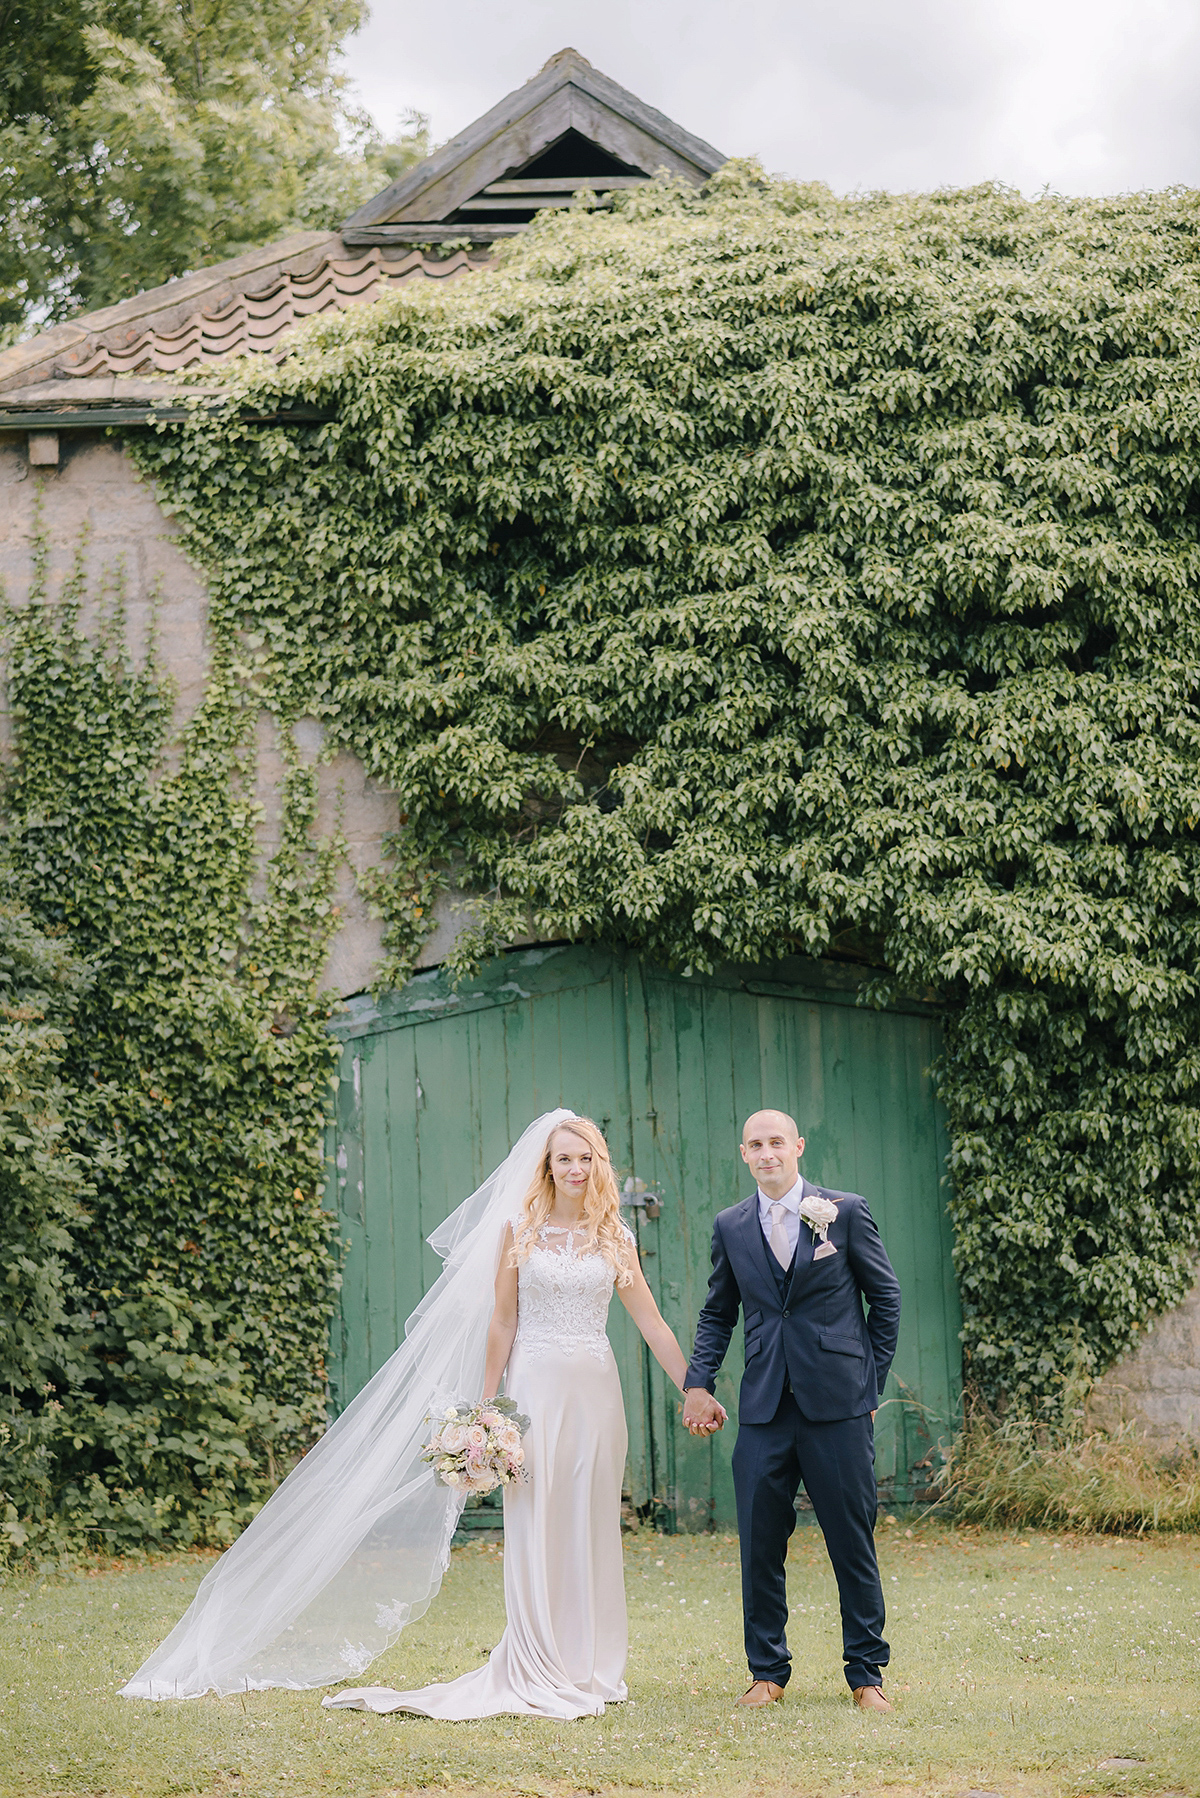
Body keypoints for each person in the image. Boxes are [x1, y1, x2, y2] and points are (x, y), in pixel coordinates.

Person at [120, 1109, 722, 1717]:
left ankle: (593, 1666)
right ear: (546, 1165)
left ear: (598, 1165)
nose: (574, 1167)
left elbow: (651, 1322)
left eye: (585, 1157)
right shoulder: (520, 1230)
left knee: (590, 1525)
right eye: (563, 1157)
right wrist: (488, 1414)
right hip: (534, 1395)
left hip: (596, 1396)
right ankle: (540, 1663)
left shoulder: (613, 1236)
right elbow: (503, 1322)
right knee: (537, 1525)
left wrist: (693, 1388)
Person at [682, 1109, 901, 1711]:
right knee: (758, 1544)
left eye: (776, 1142)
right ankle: (766, 1673)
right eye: (756, 1145)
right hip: (763, 1406)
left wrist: (867, 1386)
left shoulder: (845, 1211)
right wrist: (697, 1382)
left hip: (839, 1407)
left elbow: (884, 1299)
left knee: (851, 1542)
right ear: (744, 1154)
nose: (767, 1153)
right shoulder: (731, 1225)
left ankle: (867, 1675)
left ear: (797, 1146)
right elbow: (716, 1313)